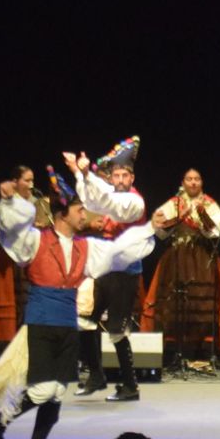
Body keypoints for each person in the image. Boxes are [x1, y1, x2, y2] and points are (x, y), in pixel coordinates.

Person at [0, 169, 155, 439]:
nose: (84, 215)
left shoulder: (84, 246)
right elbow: (10, 233)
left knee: (56, 396)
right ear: (62, 214)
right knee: (44, 390)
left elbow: (118, 251)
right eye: (79, 210)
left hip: (66, 323)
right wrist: (10, 203)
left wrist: (152, 228)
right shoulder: (36, 240)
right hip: (41, 321)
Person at [69, 138, 147, 400]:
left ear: (132, 177)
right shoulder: (112, 196)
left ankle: (130, 386)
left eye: (125, 175)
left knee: (115, 328)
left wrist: (85, 173)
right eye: (116, 175)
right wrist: (78, 172)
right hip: (105, 269)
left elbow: (109, 205)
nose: (121, 179)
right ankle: (96, 375)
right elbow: (94, 199)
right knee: (85, 320)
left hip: (125, 272)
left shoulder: (134, 202)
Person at [142, 168, 220, 365]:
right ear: (183, 182)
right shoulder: (174, 203)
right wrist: (183, 214)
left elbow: (215, 231)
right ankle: (175, 349)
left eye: (197, 179)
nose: (193, 183)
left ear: (202, 182)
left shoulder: (210, 203)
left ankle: (202, 350)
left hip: (201, 256)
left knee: (202, 301)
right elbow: (160, 228)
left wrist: (201, 212)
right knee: (175, 301)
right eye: (189, 179)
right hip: (177, 256)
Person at [0, 165, 51, 356]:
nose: (31, 185)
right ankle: (4, 351)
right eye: (26, 180)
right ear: (15, 182)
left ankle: (29, 348)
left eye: (32, 180)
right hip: (8, 260)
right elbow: (8, 225)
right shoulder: (5, 203)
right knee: (9, 307)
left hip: (29, 259)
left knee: (27, 305)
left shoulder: (36, 202)